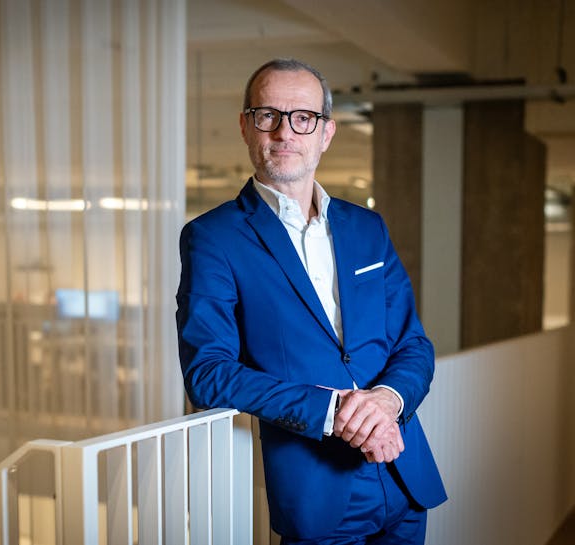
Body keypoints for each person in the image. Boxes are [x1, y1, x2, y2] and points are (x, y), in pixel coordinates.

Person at [176, 58, 447, 544]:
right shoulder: (212, 238)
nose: (285, 132)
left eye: (303, 117)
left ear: (326, 133)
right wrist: (332, 411)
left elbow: (414, 344)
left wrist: (388, 399)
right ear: (245, 126)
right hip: (315, 485)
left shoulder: (368, 228)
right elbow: (207, 372)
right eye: (267, 115)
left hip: (402, 468)